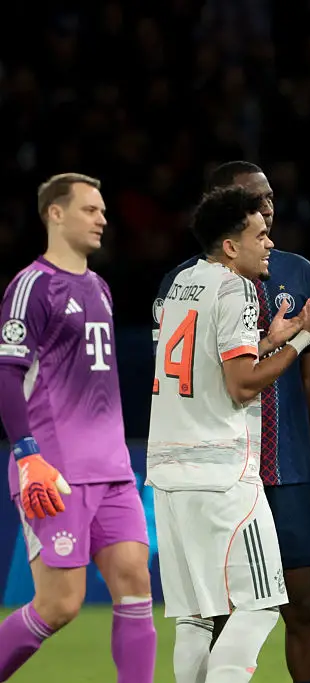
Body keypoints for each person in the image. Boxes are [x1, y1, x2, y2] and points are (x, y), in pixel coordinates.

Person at [153, 161, 310, 683]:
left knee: (300, 606)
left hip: (276, 468)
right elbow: (237, 382)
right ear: (223, 218)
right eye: (253, 207)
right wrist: (299, 335)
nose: (267, 215)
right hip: (231, 469)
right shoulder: (225, 285)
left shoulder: (277, 272)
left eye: (269, 201)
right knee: (237, 610)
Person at [0, 173, 157, 683]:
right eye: (90, 209)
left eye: (103, 210)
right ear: (56, 214)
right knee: (59, 604)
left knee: (136, 585)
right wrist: (28, 456)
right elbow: (7, 372)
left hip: (112, 470)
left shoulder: (100, 288)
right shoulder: (31, 286)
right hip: (55, 469)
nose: (102, 218)